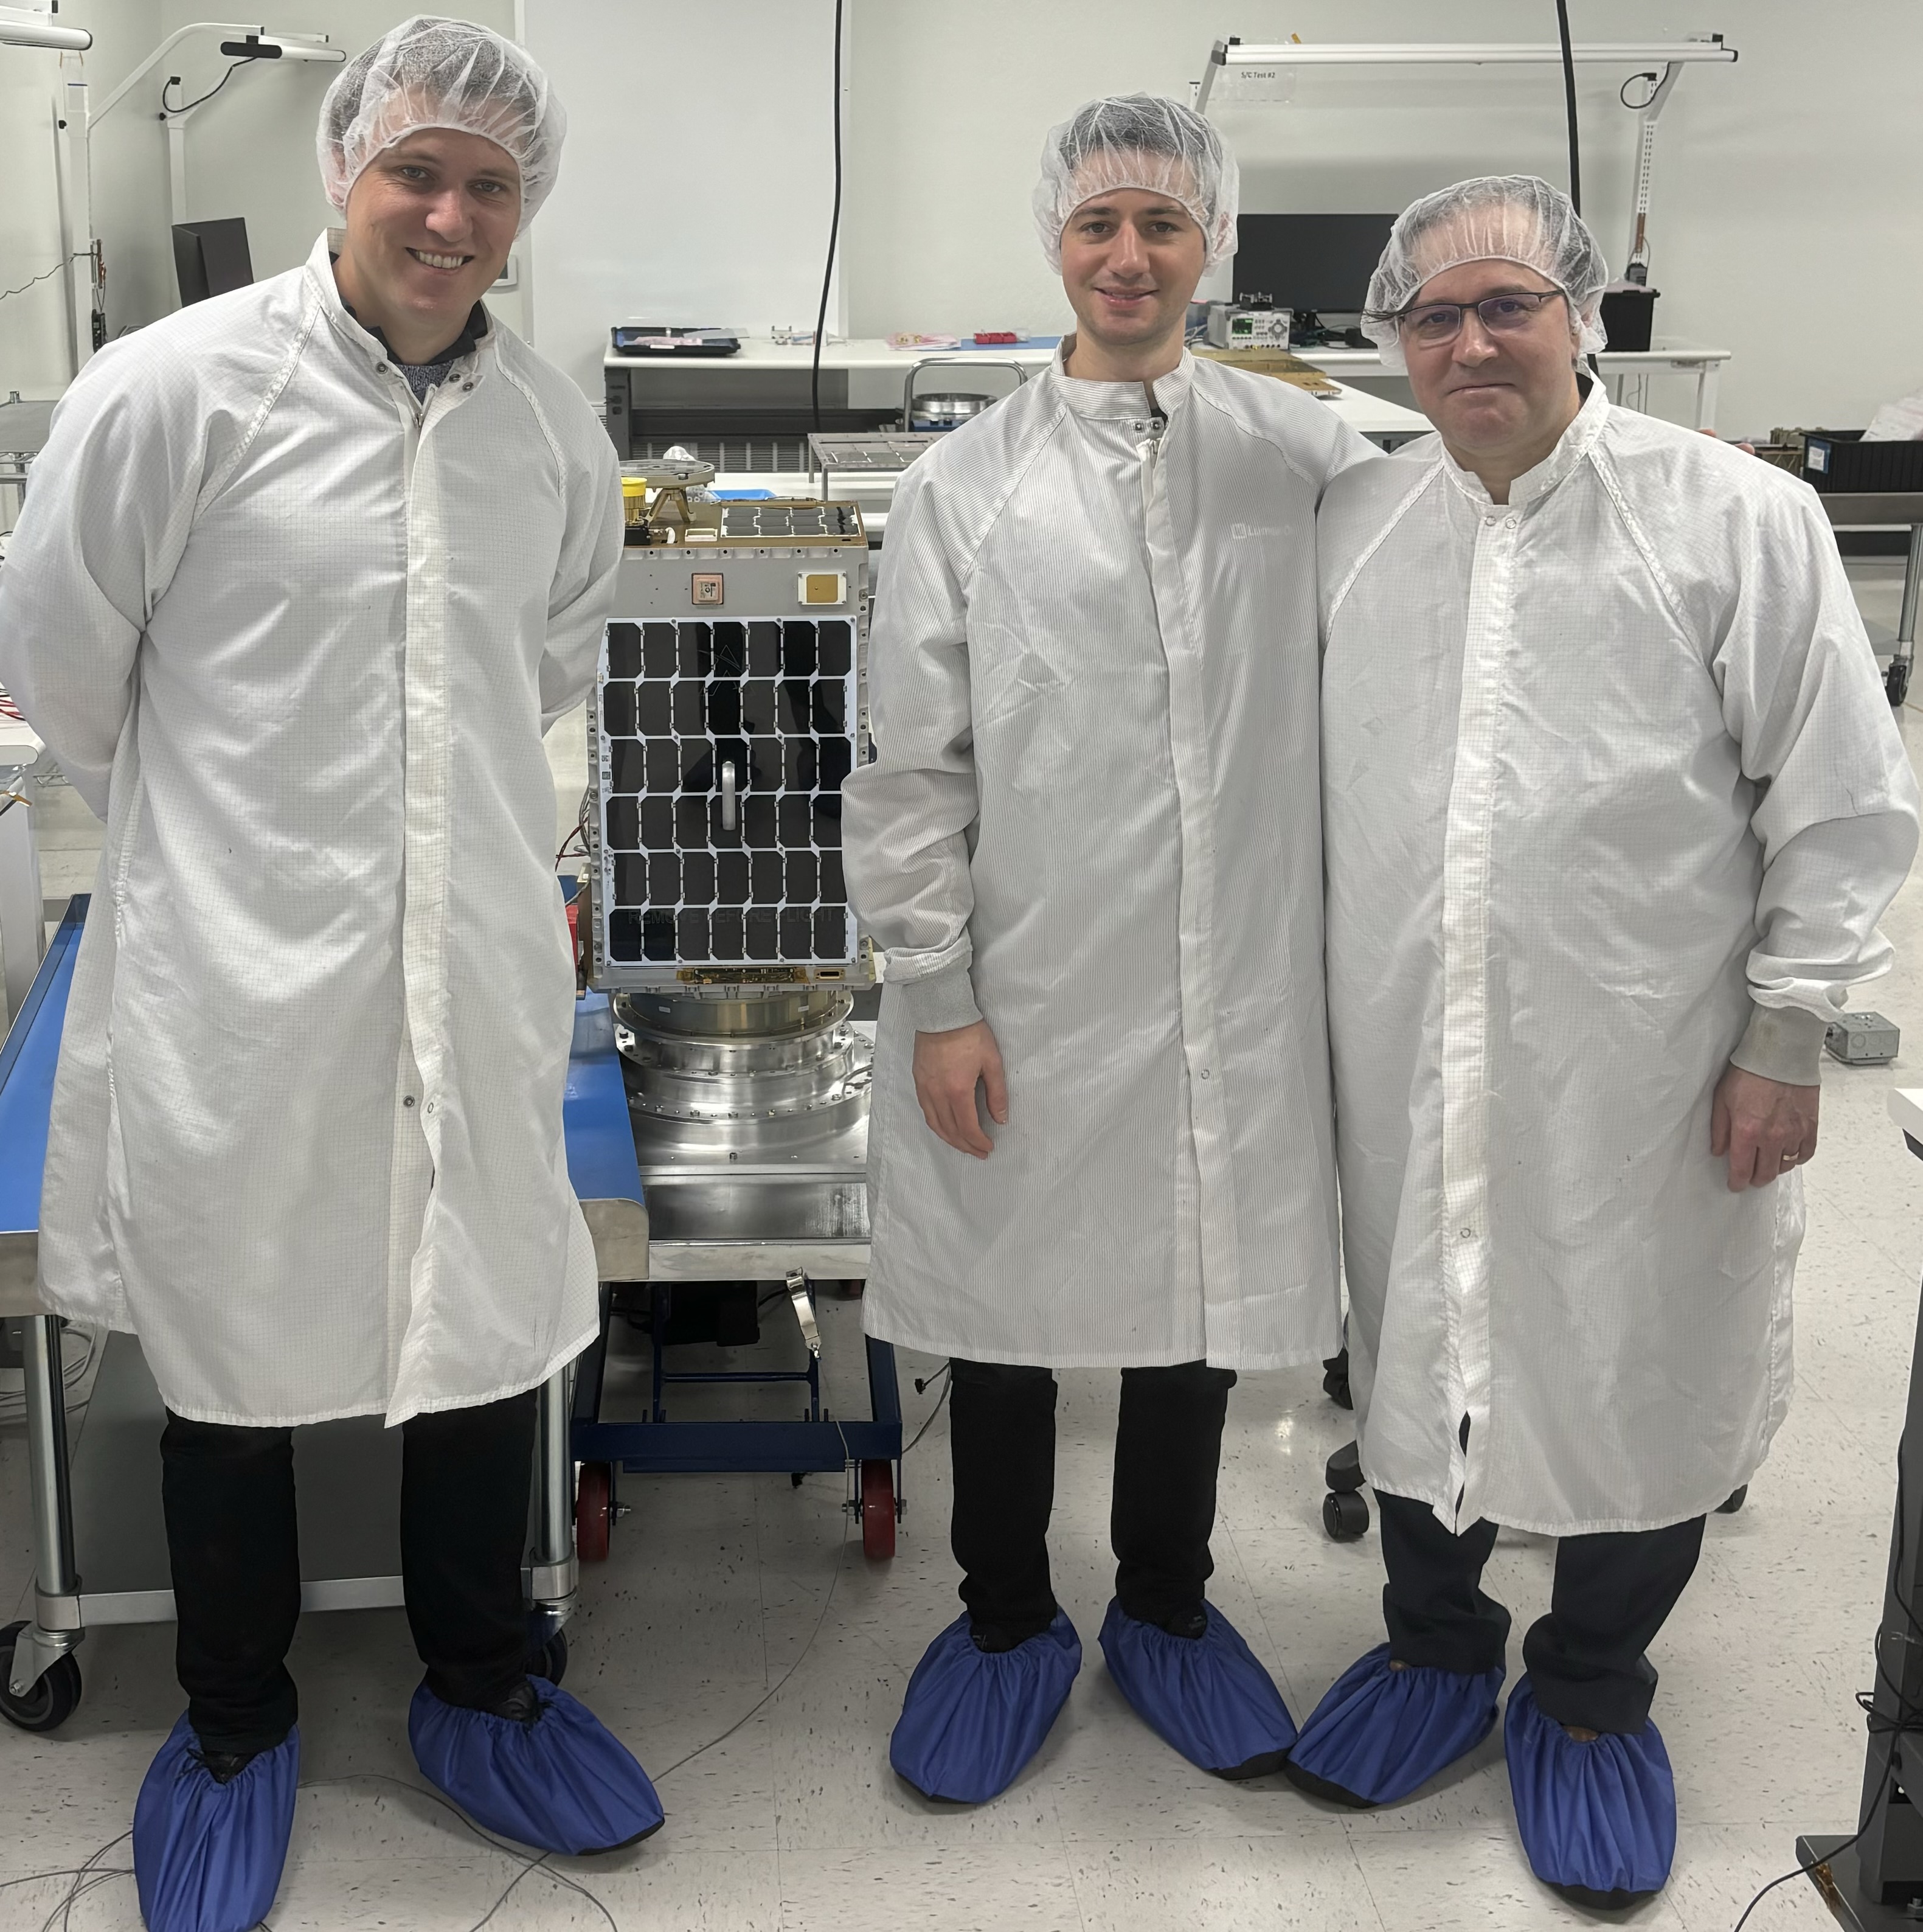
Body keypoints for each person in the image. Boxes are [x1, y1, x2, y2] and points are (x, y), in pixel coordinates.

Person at [0, 18, 662, 1931]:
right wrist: (244, 851)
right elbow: (68, 669)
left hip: (469, 959)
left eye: (490, 187)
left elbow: (543, 672)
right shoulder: (174, 391)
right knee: (228, 1344)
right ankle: (231, 1716)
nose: (450, 218)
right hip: (242, 967)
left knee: (472, 1316)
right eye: (416, 173)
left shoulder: (549, 432)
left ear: (525, 211)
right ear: (343, 175)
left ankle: (480, 1675)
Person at [1294, 175, 1919, 1908]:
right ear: (1395, 342)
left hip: (1654, 1047)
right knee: (1418, 1324)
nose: (1472, 344)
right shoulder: (1360, 527)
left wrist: (1787, 1030)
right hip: (1406, 1041)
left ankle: (1587, 1687)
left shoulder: (1737, 517)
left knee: (1644, 1344)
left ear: (1580, 318)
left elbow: (1840, 800)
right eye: (1434, 317)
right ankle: (1433, 1646)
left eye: (1509, 304)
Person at [841, 94, 1373, 1805]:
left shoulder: (1308, 461)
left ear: (1212, 241)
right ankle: (1005, 1615)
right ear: (1055, 243)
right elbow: (910, 766)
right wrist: (936, 994)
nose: (1129, 256)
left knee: (1190, 1298)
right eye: (1097, 225)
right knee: (1004, 1304)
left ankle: (1165, 1602)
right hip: (1027, 977)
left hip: (1237, 982)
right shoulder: (965, 485)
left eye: (1162, 223)